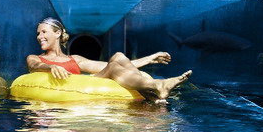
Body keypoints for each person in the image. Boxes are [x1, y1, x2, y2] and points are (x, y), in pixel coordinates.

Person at [26, 17, 192, 104]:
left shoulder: (74, 59)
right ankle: (155, 88)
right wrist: (50, 67)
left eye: (44, 32)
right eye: (38, 33)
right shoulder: (35, 57)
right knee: (114, 67)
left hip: (87, 85)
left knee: (118, 56)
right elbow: (35, 65)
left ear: (58, 33)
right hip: (67, 91)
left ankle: (154, 92)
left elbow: (114, 65)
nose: (39, 37)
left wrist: (149, 59)